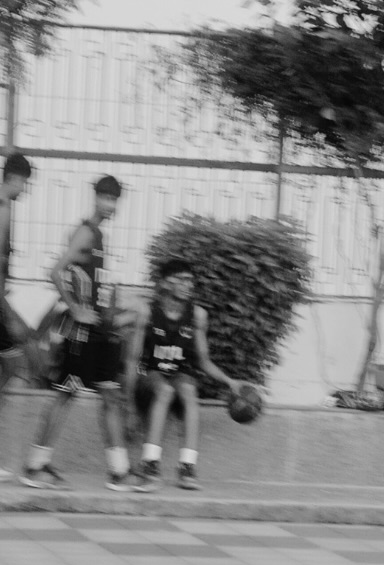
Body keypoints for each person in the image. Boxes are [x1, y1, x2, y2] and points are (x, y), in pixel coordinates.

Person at [19, 174, 141, 490]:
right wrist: (74, 308)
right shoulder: (85, 232)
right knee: (64, 397)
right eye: (105, 198)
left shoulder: (101, 235)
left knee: (111, 396)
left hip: (100, 332)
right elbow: (56, 271)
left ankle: (119, 472)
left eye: (114, 199)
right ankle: (35, 467)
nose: (110, 204)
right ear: (95, 198)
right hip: (81, 333)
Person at [128, 258, 240, 490]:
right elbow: (131, 360)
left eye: (191, 280)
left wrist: (230, 381)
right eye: (183, 280)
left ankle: (187, 468)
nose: (189, 285)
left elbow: (203, 360)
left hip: (179, 375)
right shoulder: (146, 311)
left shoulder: (197, 316)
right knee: (165, 391)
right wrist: (128, 405)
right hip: (150, 374)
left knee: (189, 391)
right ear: (166, 283)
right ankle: (150, 466)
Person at [0, 154, 33, 481]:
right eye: (26, 183)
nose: (26, 190)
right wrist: (9, 313)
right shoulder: (3, 209)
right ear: (17, 177)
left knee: (10, 369)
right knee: (15, 366)